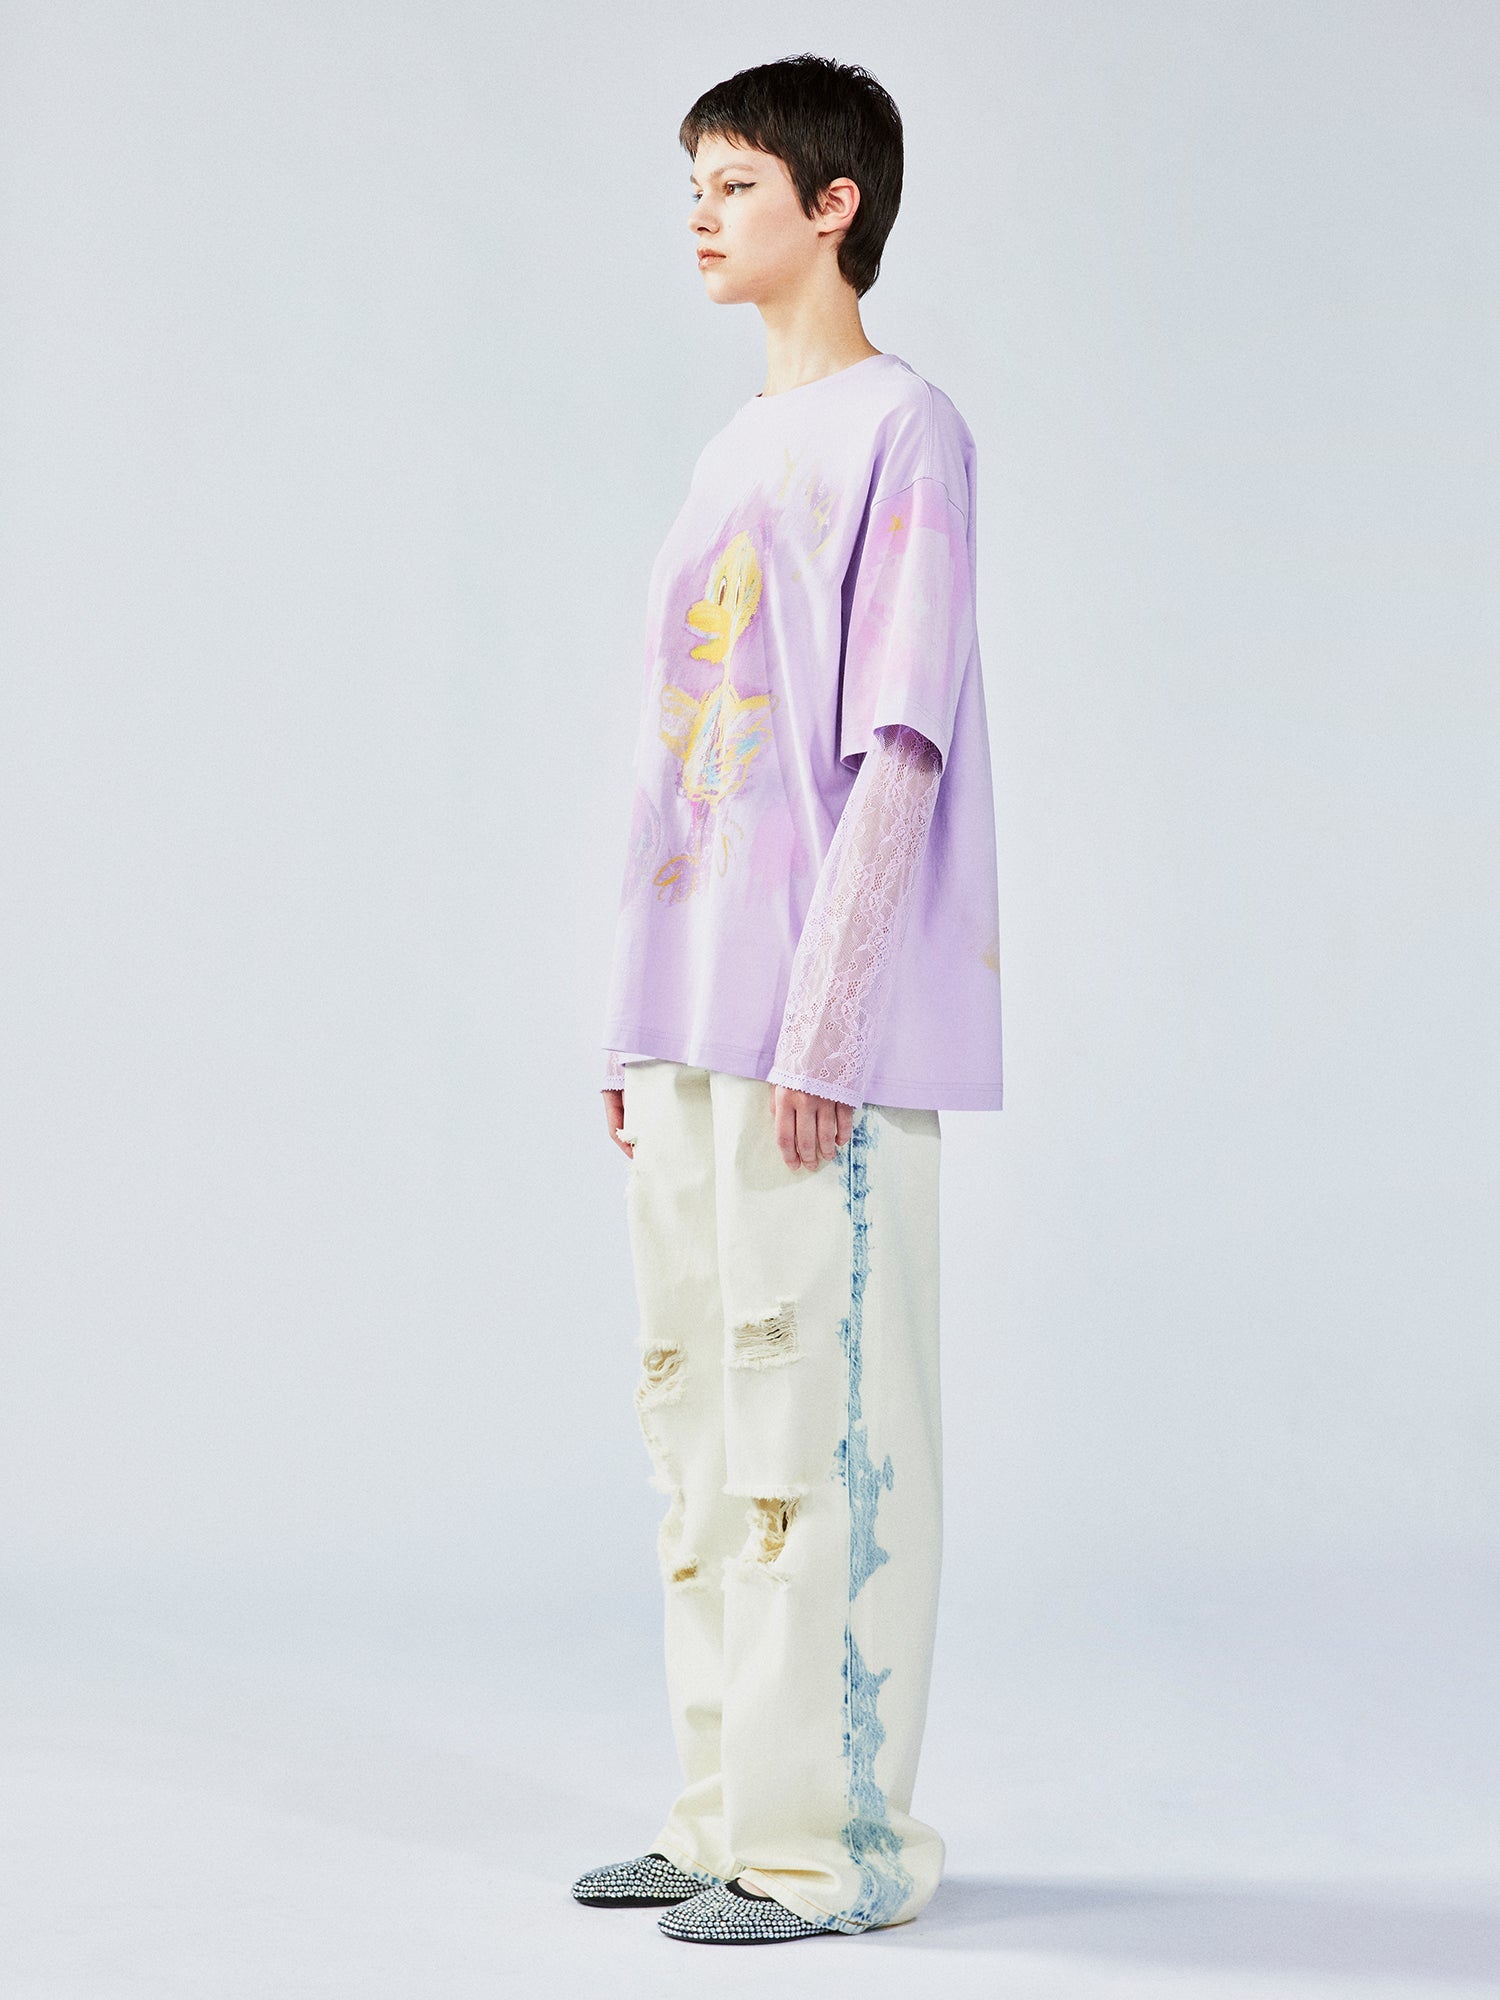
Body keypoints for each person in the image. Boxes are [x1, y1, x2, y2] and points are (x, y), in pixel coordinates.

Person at [574, 53, 1004, 1946]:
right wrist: (630, 1016)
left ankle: (833, 1850)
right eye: (694, 182)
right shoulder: (726, 452)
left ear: (836, 205)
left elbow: (897, 743)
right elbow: (676, 765)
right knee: (696, 1419)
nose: (702, 213)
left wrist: (827, 1028)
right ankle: (719, 1815)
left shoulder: (908, 430)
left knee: (820, 1422)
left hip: (816, 1030)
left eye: (736, 182)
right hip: (691, 1012)